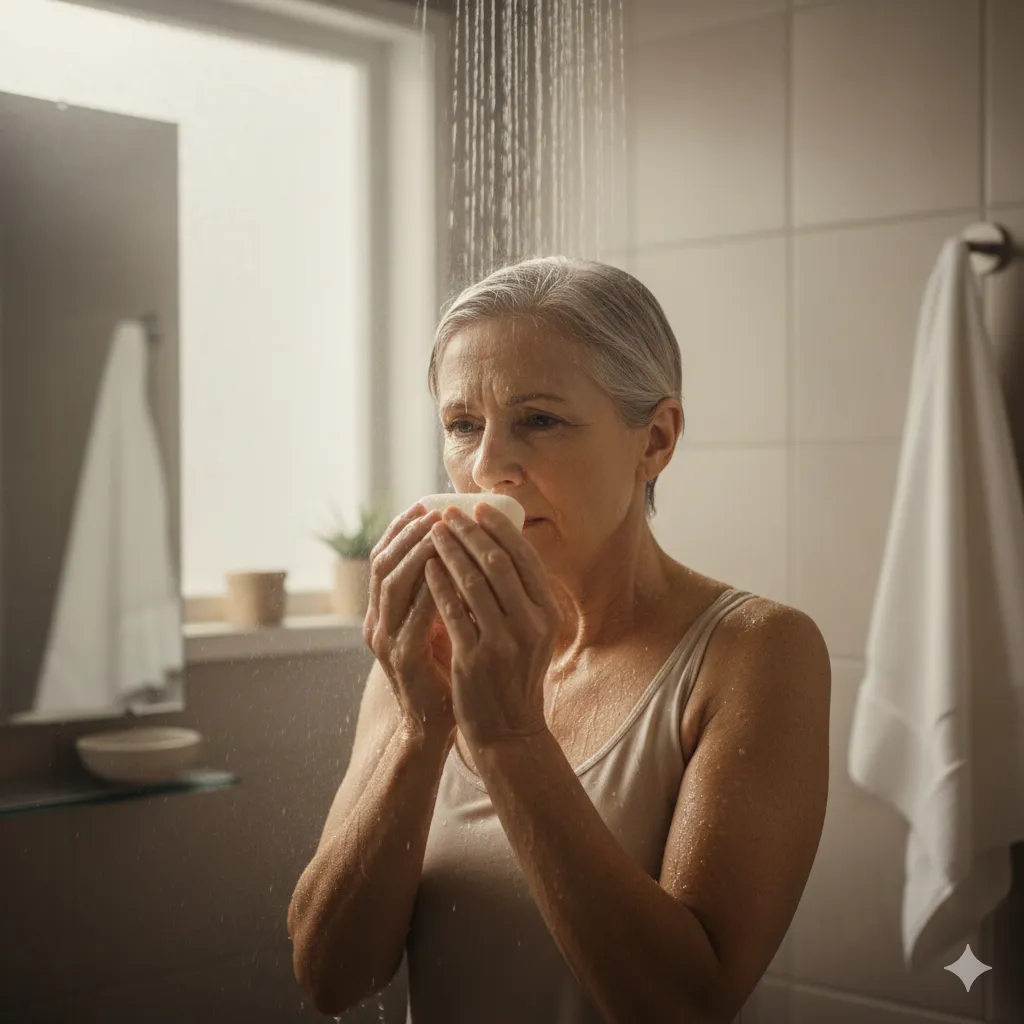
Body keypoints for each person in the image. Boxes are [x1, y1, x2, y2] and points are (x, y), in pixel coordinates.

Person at [287, 257, 831, 1023]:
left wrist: (510, 738)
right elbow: (329, 978)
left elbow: (684, 1008)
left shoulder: (756, 653)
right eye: (463, 425)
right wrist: (419, 729)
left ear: (656, 440)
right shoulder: (429, 650)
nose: (487, 469)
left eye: (538, 421)